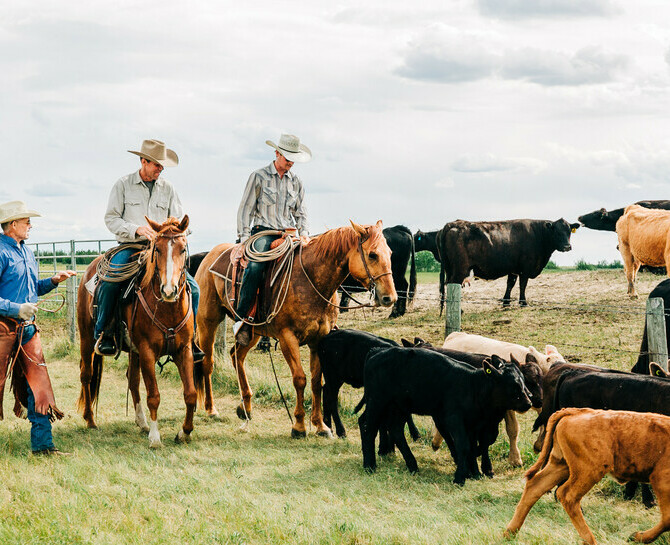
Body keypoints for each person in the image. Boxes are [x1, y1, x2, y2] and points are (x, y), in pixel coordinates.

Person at [95, 139, 202, 358]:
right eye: (157, 165)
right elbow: (111, 219)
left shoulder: (168, 188)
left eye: (162, 166)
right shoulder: (123, 184)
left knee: (195, 289)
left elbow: (180, 220)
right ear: (143, 161)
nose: (161, 169)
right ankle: (105, 333)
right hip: (132, 246)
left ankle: (191, 337)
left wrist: (178, 234)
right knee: (109, 281)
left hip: (163, 249)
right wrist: (137, 230)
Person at [0, 201, 76, 456]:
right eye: (26, 221)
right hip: (2, 328)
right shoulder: (0, 252)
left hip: (28, 329)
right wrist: (15, 309)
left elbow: (34, 288)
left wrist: (54, 281)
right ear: (13, 224)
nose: (30, 225)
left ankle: (43, 446)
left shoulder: (27, 252)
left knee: (39, 387)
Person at [234, 133, 311, 345]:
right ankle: (243, 319)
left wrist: (304, 233)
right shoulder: (258, 177)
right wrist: (243, 239)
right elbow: (246, 209)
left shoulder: (296, 182)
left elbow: (301, 212)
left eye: (293, 158)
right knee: (256, 267)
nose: (290, 162)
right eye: (287, 157)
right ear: (277, 153)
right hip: (263, 232)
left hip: (289, 234)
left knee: (309, 265)